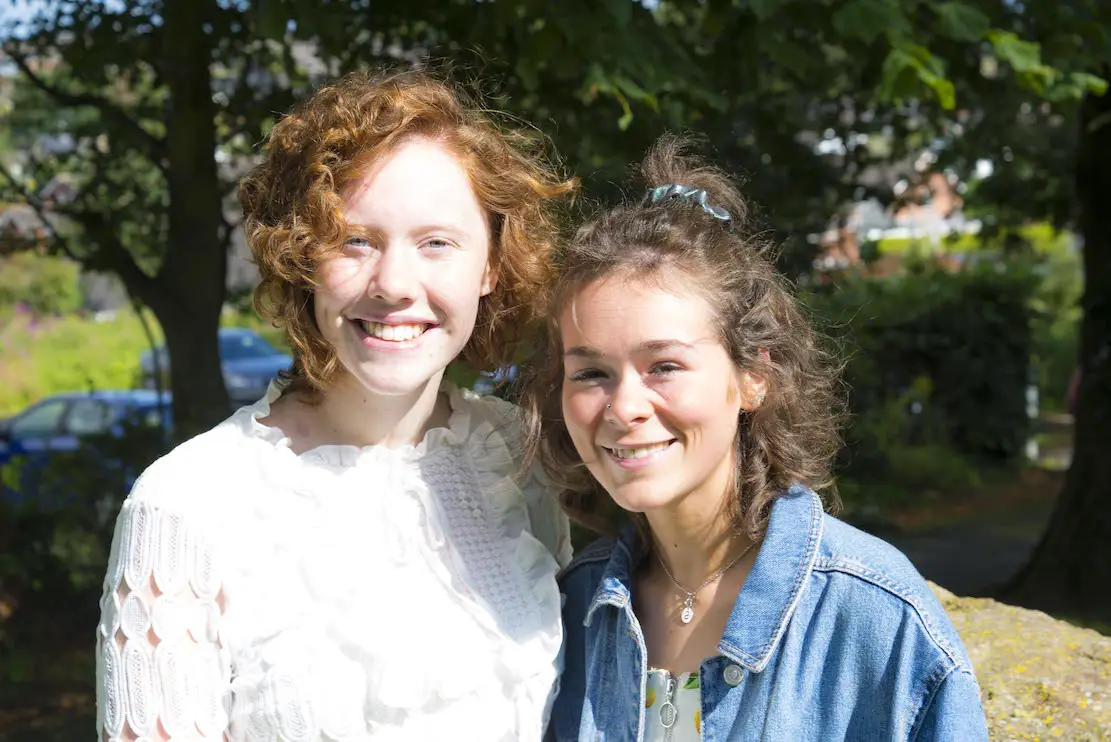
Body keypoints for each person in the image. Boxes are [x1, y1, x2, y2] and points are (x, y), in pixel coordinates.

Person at [95, 69, 576, 741]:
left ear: (490, 265)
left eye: (436, 242)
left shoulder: (518, 460)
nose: (395, 284)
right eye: (355, 240)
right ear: (302, 257)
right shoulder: (186, 506)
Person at [524, 135, 990, 741]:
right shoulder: (569, 609)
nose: (624, 407)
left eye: (664, 365)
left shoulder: (874, 619)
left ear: (755, 377)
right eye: (590, 373)